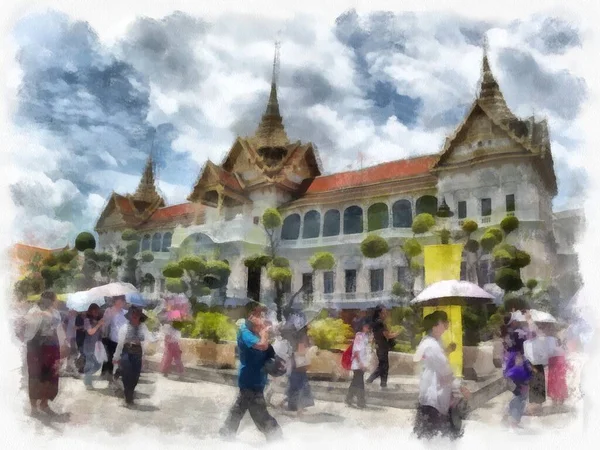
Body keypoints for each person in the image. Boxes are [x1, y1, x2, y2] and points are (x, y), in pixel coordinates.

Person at [220, 301, 282, 442]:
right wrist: (265, 332)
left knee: (240, 409)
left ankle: (225, 435)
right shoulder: (245, 331)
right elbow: (262, 346)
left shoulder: (256, 331)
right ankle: (277, 438)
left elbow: (269, 351)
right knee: (258, 412)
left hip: (258, 379)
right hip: (250, 379)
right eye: (260, 314)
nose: (263, 317)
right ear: (251, 315)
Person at [413, 310, 470, 440]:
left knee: (432, 437)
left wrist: (447, 350)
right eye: (443, 322)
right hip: (433, 399)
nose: (446, 325)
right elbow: (444, 370)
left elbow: (438, 362)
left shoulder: (433, 342)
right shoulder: (431, 345)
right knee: (434, 438)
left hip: (436, 397)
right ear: (434, 326)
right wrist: (461, 387)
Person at [21, 291, 67, 415]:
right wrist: (40, 315)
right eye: (54, 299)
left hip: (52, 346)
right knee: (35, 376)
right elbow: (28, 327)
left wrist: (63, 344)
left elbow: (59, 329)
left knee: (51, 376)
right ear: (50, 300)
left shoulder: (56, 312)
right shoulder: (34, 311)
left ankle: (44, 403)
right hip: (37, 347)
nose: (56, 302)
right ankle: (33, 407)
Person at [113, 306, 150, 407]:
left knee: (135, 376)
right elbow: (120, 344)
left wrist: (143, 353)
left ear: (140, 317)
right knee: (127, 374)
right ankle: (128, 397)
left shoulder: (143, 328)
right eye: (133, 315)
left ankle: (130, 392)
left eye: (136, 315)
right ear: (130, 316)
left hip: (138, 353)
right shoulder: (124, 327)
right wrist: (116, 357)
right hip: (126, 352)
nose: (134, 317)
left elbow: (147, 341)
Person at [286, 313, 314, 416]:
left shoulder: (295, 336)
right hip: (299, 364)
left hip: (294, 364)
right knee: (301, 386)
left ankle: (292, 406)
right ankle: (299, 409)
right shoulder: (302, 336)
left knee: (294, 386)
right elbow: (301, 351)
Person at [367, 306, 399, 389]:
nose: (386, 314)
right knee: (383, 366)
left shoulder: (375, 323)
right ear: (380, 313)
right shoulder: (380, 323)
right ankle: (371, 380)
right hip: (383, 347)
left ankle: (383, 383)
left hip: (379, 347)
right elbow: (387, 335)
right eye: (384, 312)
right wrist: (396, 334)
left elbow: (375, 336)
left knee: (383, 366)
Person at [345, 320, 372, 408]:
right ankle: (361, 401)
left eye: (368, 326)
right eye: (366, 326)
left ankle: (349, 398)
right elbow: (356, 351)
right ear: (362, 326)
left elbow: (367, 350)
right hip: (357, 363)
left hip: (362, 363)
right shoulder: (359, 336)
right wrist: (360, 363)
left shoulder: (366, 336)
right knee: (360, 382)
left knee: (355, 382)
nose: (367, 327)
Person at [503, 352, 533, 429]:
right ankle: (513, 424)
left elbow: (529, 375)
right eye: (517, 359)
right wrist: (517, 388)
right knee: (516, 406)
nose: (520, 360)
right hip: (518, 392)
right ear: (514, 360)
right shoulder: (513, 370)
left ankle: (513, 422)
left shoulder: (523, 369)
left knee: (520, 406)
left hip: (523, 392)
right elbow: (508, 380)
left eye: (521, 359)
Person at [101, 295, 127, 382]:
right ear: (115, 301)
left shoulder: (125, 312)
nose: (121, 303)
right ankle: (108, 376)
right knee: (110, 358)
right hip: (112, 338)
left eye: (122, 301)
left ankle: (117, 374)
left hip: (123, 340)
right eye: (119, 301)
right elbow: (104, 324)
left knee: (121, 359)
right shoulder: (109, 310)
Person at [82, 304, 105, 390]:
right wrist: (98, 324)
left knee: (98, 365)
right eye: (94, 311)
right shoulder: (87, 320)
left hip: (96, 347)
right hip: (88, 346)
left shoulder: (97, 320)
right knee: (90, 364)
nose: (96, 313)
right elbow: (90, 332)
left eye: (97, 311)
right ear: (90, 311)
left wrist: (102, 325)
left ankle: (87, 377)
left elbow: (101, 333)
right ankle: (88, 383)